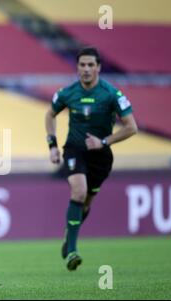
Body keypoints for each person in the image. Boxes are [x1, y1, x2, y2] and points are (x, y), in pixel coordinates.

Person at [45, 47, 138, 271]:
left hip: (101, 156)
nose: (86, 69)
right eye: (82, 65)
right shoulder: (67, 93)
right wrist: (52, 146)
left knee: (86, 202)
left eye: (90, 65)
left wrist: (104, 141)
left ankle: (70, 233)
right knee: (78, 191)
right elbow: (50, 114)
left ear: (98, 67)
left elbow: (131, 127)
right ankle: (73, 251)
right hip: (74, 150)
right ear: (77, 67)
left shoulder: (111, 94)